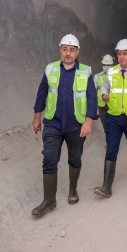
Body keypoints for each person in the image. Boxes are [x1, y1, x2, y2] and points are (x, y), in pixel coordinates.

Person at [31, 34, 98, 217]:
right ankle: (49, 200)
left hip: (76, 124)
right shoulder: (51, 69)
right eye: (65, 49)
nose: (68, 53)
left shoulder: (85, 71)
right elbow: (41, 94)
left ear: (77, 52)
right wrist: (37, 117)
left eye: (72, 50)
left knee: (75, 158)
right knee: (49, 158)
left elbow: (92, 97)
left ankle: (73, 189)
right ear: (60, 50)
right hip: (53, 122)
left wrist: (88, 120)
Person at [94, 39, 127, 198]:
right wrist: (104, 93)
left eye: (125, 54)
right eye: (119, 54)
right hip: (113, 117)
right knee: (111, 148)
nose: (122, 57)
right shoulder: (112, 71)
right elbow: (105, 86)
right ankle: (106, 186)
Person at [94, 54, 115, 130]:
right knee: (105, 125)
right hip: (101, 105)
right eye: (104, 65)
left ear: (112, 65)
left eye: (108, 65)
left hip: (112, 104)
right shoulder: (97, 76)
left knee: (113, 124)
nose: (106, 67)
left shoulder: (117, 76)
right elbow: (93, 92)